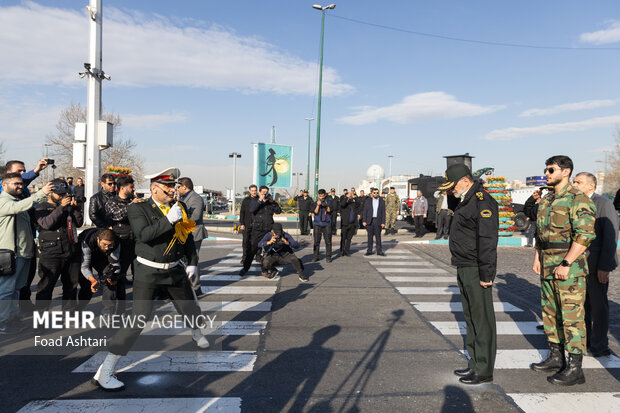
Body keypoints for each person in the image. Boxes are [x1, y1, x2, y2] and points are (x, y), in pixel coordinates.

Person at [92, 167, 209, 391]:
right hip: (149, 271)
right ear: (154, 189)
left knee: (190, 307)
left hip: (174, 269)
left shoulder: (180, 207)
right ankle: (106, 370)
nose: (172, 193)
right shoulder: (138, 209)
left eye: (174, 188)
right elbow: (144, 235)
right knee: (138, 320)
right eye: (167, 189)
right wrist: (168, 220)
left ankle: (196, 331)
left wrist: (193, 261)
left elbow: (185, 237)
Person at [530, 155, 595, 386]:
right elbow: (540, 233)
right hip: (547, 265)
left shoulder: (577, 199)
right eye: (546, 170)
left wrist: (566, 263)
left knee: (571, 317)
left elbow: (585, 235)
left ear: (565, 172)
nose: (546, 174)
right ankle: (556, 358)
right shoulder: (547, 200)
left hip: (569, 269)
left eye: (551, 170)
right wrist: (537, 256)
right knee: (550, 314)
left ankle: (575, 368)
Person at [439, 163, 499, 385]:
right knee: (471, 317)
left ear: (465, 180)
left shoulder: (483, 201)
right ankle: (475, 362)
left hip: (476, 266)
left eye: (453, 185)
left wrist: (486, 273)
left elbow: (487, 240)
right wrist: (450, 191)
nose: (451, 190)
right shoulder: (466, 198)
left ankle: (484, 368)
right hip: (464, 264)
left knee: (482, 318)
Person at [572, 172, 617, 358]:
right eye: (574, 181)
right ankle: (586, 341)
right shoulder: (574, 204)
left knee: (599, 308)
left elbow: (610, 237)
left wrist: (605, 267)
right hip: (577, 265)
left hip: (596, 265)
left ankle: (600, 345)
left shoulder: (603, 204)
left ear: (591, 186)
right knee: (582, 306)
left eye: (579, 182)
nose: (574, 185)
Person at [0, 174, 53, 333]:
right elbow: (21, 207)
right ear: (4, 185)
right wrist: (42, 193)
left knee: (16, 289)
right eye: (16, 183)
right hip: (10, 254)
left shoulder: (17, 201)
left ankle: (12, 319)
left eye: (21, 184)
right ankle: (3, 322)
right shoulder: (3, 202)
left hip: (23, 254)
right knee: (6, 291)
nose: (20, 186)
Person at [34, 178, 84, 310]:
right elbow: (47, 223)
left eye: (65, 194)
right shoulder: (41, 207)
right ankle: (40, 319)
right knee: (46, 286)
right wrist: (61, 206)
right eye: (60, 194)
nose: (63, 197)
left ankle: (69, 314)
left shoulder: (68, 206)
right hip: (51, 254)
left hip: (71, 250)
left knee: (71, 286)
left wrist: (76, 209)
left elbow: (78, 223)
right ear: (50, 192)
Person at [79, 228, 123, 315]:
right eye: (104, 244)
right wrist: (93, 280)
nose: (106, 248)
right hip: (86, 255)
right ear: (98, 239)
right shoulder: (88, 241)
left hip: (101, 257)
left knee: (109, 279)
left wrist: (114, 276)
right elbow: (84, 267)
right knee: (86, 286)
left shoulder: (116, 243)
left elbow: (115, 263)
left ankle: (108, 312)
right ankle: (80, 308)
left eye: (110, 245)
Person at [240, 186, 282, 276]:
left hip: (268, 230)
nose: (265, 194)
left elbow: (278, 211)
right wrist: (260, 200)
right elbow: (251, 209)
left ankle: (264, 270)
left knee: (266, 252)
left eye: (266, 192)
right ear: (259, 192)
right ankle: (245, 268)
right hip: (258, 230)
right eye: (263, 192)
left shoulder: (270, 202)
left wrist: (273, 202)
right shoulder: (254, 201)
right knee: (252, 250)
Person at [105, 176, 139, 286]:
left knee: (138, 269)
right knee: (120, 270)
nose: (133, 189)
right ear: (122, 188)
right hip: (121, 240)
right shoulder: (112, 202)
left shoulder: (132, 200)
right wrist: (131, 206)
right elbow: (116, 215)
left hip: (136, 239)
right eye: (131, 187)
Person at [178, 177, 208, 296]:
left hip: (194, 233)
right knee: (185, 260)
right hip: (184, 233)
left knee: (193, 259)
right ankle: (188, 284)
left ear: (185, 187)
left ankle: (196, 287)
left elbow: (195, 217)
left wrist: (180, 223)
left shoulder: (196, 198)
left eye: (179, 187)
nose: (177, 189)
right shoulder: (182, 198)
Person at [362, 188, 386, 256]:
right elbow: (365, 211)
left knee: (378, 237)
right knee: (370, 237)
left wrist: (383, 222)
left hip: (378, 221)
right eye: (374, 192)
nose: (376, 194)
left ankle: (379, 251)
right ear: (372, 193)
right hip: (370, 221)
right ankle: (369, 250)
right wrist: (364, 220)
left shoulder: (382, 201)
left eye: (377, 193)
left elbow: (383, 213)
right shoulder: (368, 201)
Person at [312, 189, 333, 263]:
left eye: (322, 195)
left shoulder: (329, 201)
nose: (321, 197)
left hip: (326, 224)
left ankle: (328, 257)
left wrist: (326, 205)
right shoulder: (315, 203)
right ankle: (316, 256)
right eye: (320, 195)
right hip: (317, 224)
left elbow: (329, 210)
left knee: (328, 242)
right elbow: (315, 212)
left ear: (325, 195)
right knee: (316, 241)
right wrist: (318, 205)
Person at [239, 185, 258, 264]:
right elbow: (242, 212)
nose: (254, 192)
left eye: (255, 190)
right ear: (250, 191)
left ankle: (258, 256)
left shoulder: (259, 200)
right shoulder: (246, 200)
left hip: (257, 225)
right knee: (245, 242)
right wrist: (242, 223)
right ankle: (244, 257)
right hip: (247, 224)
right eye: (252, 190)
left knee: (257, 242)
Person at [339, 189, 357, 256]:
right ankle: (342, 250)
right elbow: (343, 204)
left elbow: (358, 203)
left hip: (352, 224)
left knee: (349, 238)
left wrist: (354, 197)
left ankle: (347, 251)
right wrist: (347, 197)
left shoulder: (353, 203)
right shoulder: (344, 203)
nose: (350, 197)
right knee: (343, 238)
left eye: (351, 196)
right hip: (345, 223)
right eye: (349, 196)